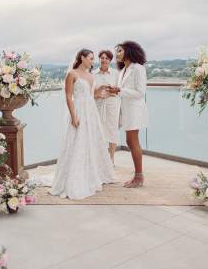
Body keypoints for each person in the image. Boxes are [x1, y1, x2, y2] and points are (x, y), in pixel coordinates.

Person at [49, 49, 116, 199]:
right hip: (79, 110)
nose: (93, 61)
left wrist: (103, 92)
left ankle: (91, 175)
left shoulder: (91, 76)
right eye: (91, 58)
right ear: (82, 58)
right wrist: (74, 116)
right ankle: (74, 177)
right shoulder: (72, 74)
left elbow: (91, 96)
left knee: (90, 142)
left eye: (93, 59)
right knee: (77, 142)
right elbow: (68, 97)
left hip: (91, 112)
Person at [111, 41, 148, 188]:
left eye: (119, 51)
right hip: (125, 109)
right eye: (117, 51)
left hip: (134, 110)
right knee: (130, 141)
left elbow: (140, 92)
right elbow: (121, 90)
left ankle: (139, 177)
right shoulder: (122, 71)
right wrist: (114, 90)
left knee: (133, 142)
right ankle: (138, 175)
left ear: (128, 51)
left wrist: (119, 90)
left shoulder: (138, 68)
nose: (117, 54)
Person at [92, 50, 120, 165]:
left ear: (110, 60)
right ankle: (99, 159)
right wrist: (99, 93)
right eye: (102, 58)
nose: (104, 60)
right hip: (97, 105)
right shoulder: (93, 74)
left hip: (112, 105)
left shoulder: (115, 73)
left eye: (107, 58)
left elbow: (119, 90)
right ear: (99, 59)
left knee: (112, 131)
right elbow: (91, 92)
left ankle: (111, 159)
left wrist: (112, 90)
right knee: (98, 131)